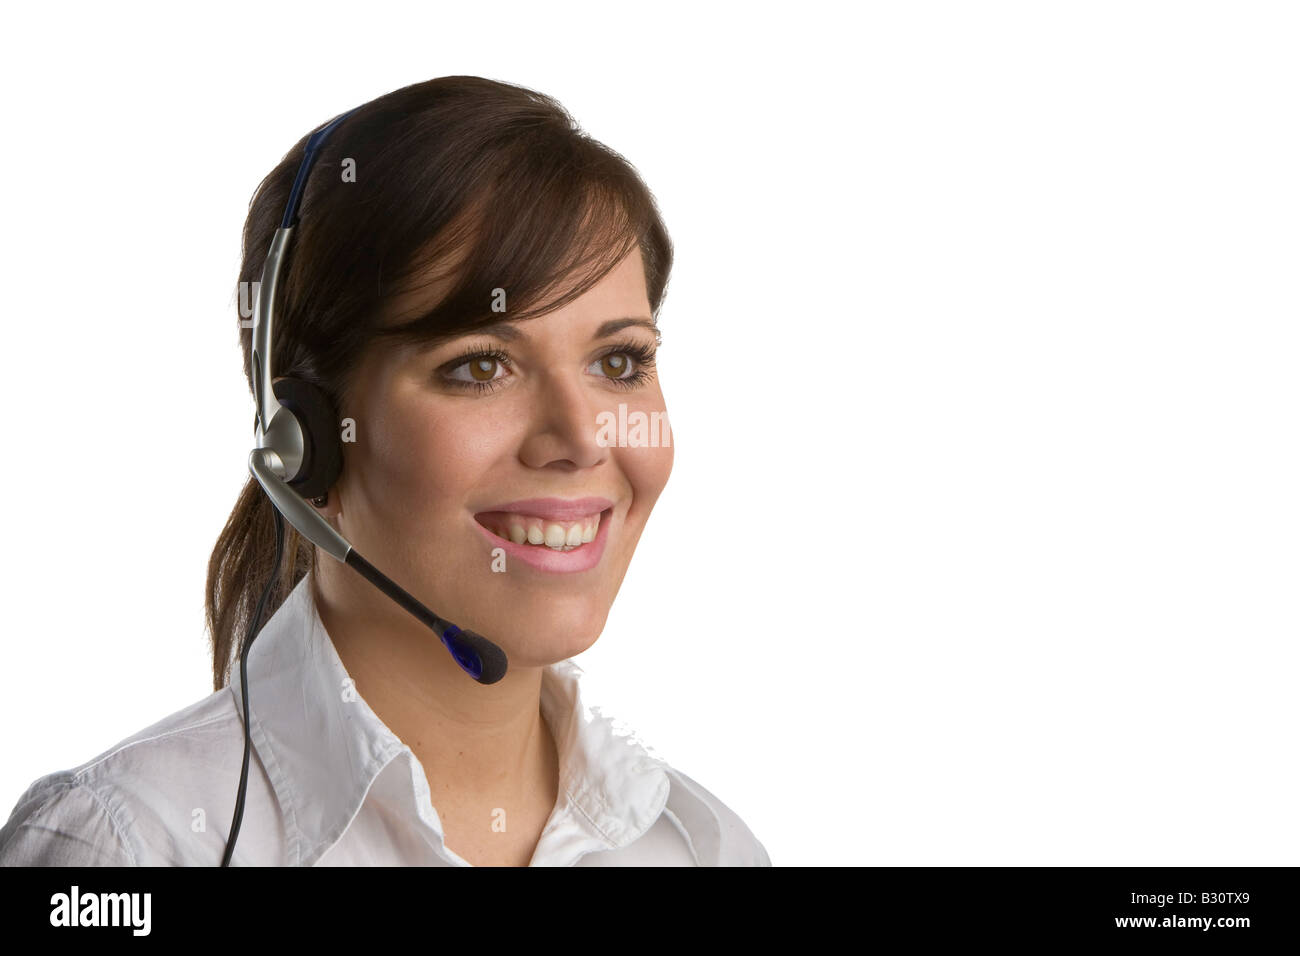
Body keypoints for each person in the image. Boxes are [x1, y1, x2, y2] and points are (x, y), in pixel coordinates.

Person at [0, 75, 770, 866]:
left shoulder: (704, 848)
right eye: (480, 368)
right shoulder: (123, 848)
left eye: (619, 360)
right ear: (302, 441)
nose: (581, 438)